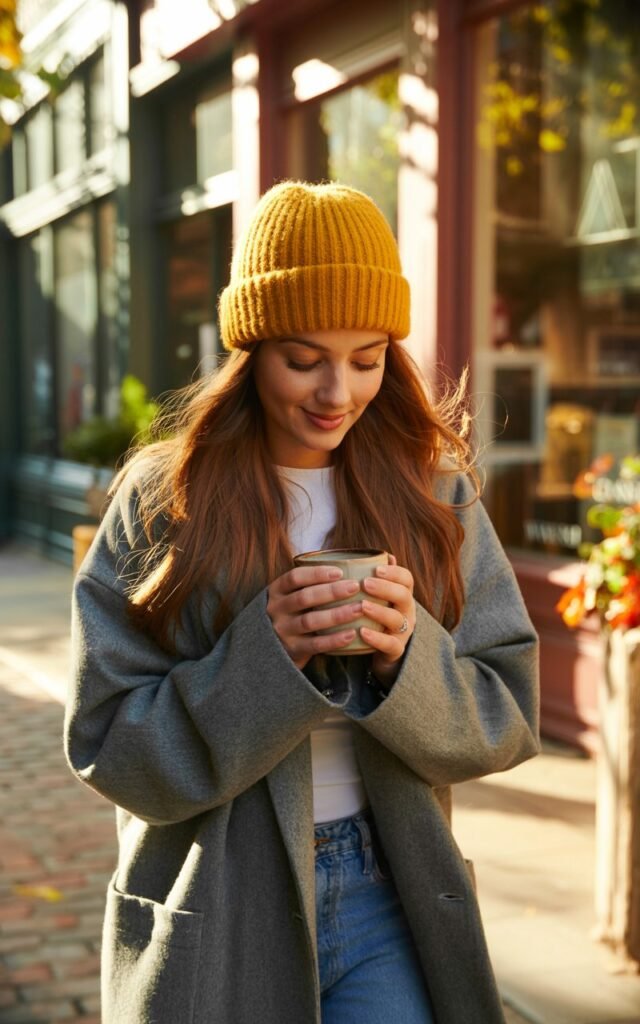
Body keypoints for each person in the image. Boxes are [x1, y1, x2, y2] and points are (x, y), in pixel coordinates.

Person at [64, 180, 540, 1024]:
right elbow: (108, 746)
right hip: (216, 896)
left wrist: (409, 658)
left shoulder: (435, 493)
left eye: (366, 359)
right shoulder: (161, 497)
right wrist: (265, 654)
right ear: (250, 350)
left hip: (391, 889)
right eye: (304, 358)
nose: (337, 393)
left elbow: (508, 714)